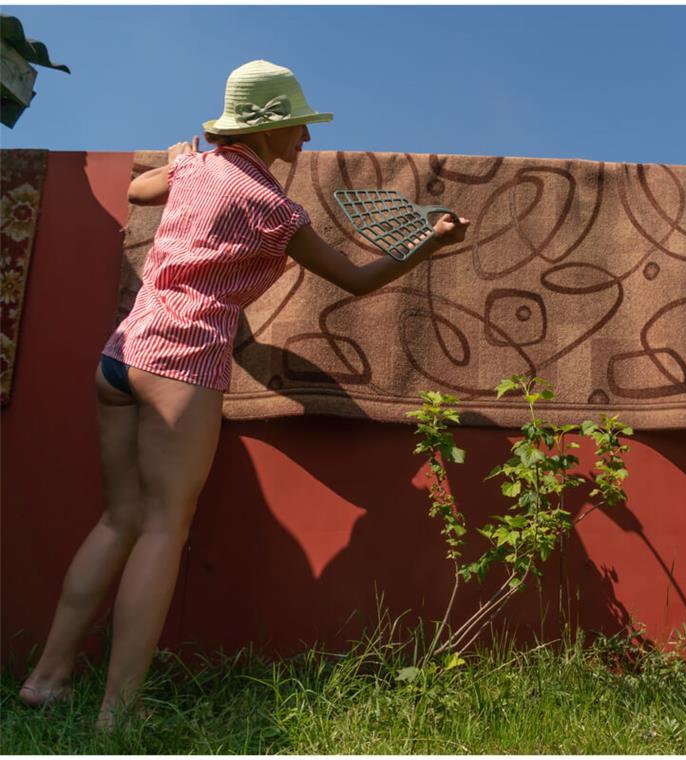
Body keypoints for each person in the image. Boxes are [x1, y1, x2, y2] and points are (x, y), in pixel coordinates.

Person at [17, 59, 470, 727]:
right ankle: (118, 713)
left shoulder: (193, 170)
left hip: (121, 354)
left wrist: (176, 160)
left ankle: (47, 679)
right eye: (298, 127)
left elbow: (139, 190)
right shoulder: (273, 208)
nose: (305, 142)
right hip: (181, 365)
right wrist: (430, 243)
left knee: (120, 519)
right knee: (164, 529)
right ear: (269, 128)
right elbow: (354, 279)